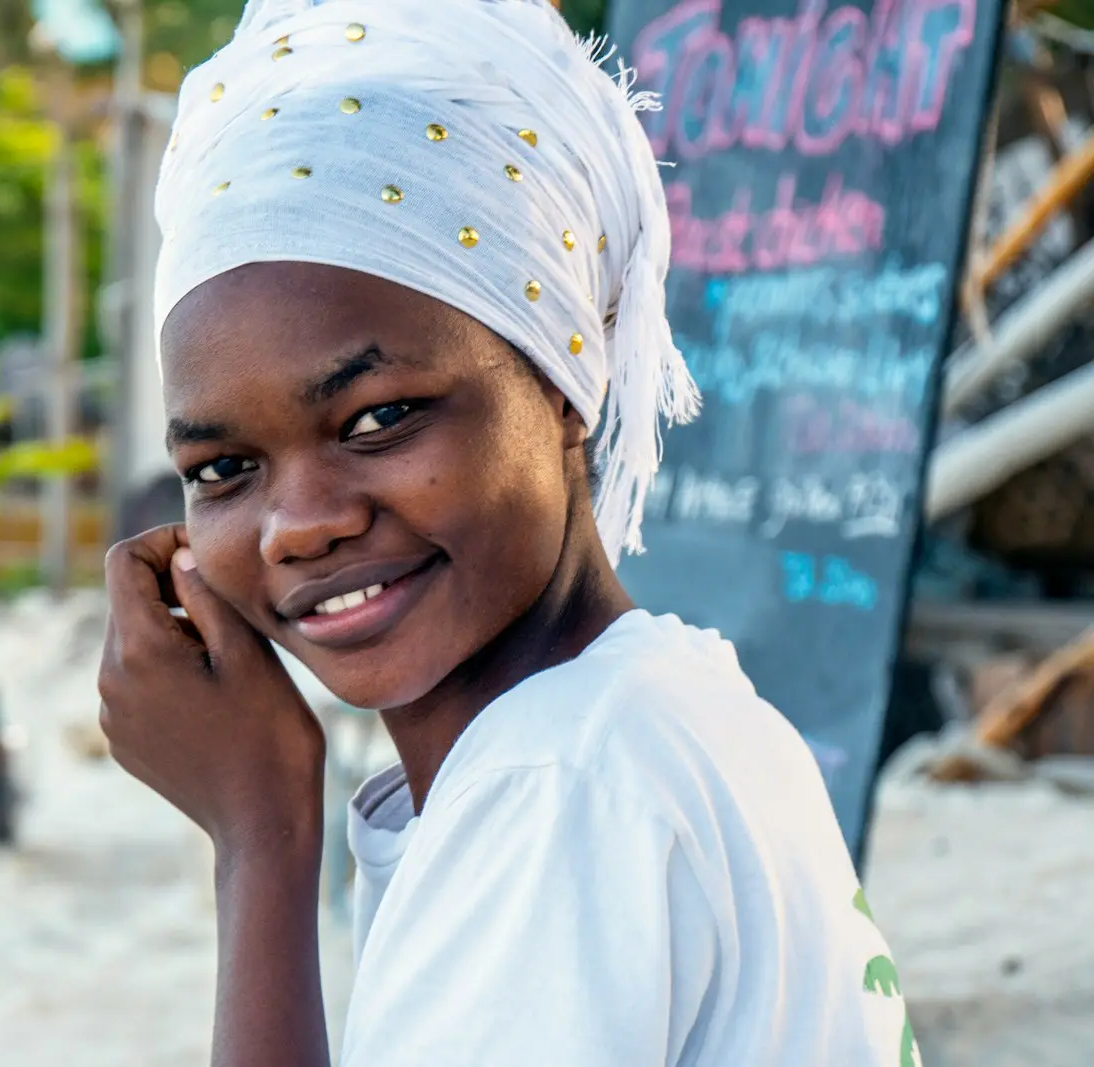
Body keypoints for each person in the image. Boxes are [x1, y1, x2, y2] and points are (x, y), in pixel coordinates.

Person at [96, 1, 921, 1064]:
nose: (300, 523)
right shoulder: (672, 703)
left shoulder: (554, 788)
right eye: (222, 470)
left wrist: (260, 836)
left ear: (563, 379)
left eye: (378, 417)